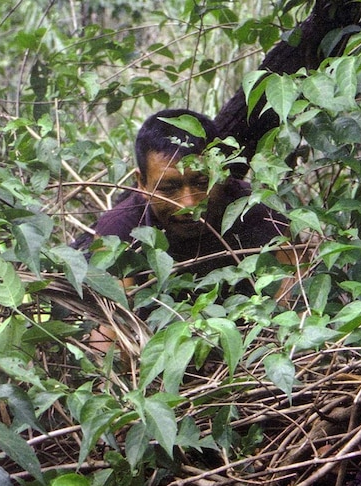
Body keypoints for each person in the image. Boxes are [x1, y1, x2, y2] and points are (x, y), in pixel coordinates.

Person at [75, 109, 302, 351]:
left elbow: (294, 306)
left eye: (201, 182)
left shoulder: (263, 210)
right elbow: (109, 335)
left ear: (222, 172)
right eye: (169, 188)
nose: (189, 204)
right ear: (141, 183)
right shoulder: (118, 230)